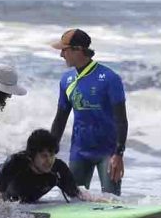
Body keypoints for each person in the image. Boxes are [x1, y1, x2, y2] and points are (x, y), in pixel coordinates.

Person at [50, 29, 128, 195]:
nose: (61, 55)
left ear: (78, 50)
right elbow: (60, 119)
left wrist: (119, 154)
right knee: (72, 200)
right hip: (79, 151)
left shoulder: (110, 78)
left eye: (64, 50)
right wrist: (49, 151)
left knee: (111, 201)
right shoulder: (66, 80)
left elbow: (121, 119)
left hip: (108, 152)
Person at [0, 129, 100, 203]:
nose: (49, 160)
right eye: (44, 156)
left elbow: (76, 194)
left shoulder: (58, 169)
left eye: (52, 155)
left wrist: (99, 200)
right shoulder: (15, 163)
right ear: (32, 156)